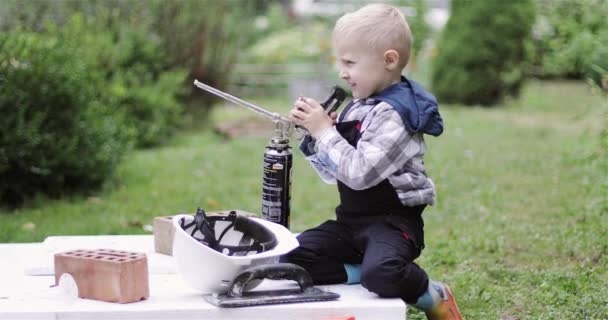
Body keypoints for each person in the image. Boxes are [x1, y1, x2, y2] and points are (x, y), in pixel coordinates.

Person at [283, 3, 462, 320]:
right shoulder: (359, 106)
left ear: (389, 61)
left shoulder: (395, 114)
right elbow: (334, 173)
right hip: (351, 224)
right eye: (341, 61)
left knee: (383, 274)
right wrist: (315, 137)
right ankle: (360, 270)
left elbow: (359, 173)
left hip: (393, 224)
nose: (342, 71)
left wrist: (326, 132)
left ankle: (432, 293)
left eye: (350, 62)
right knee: (291, 258)